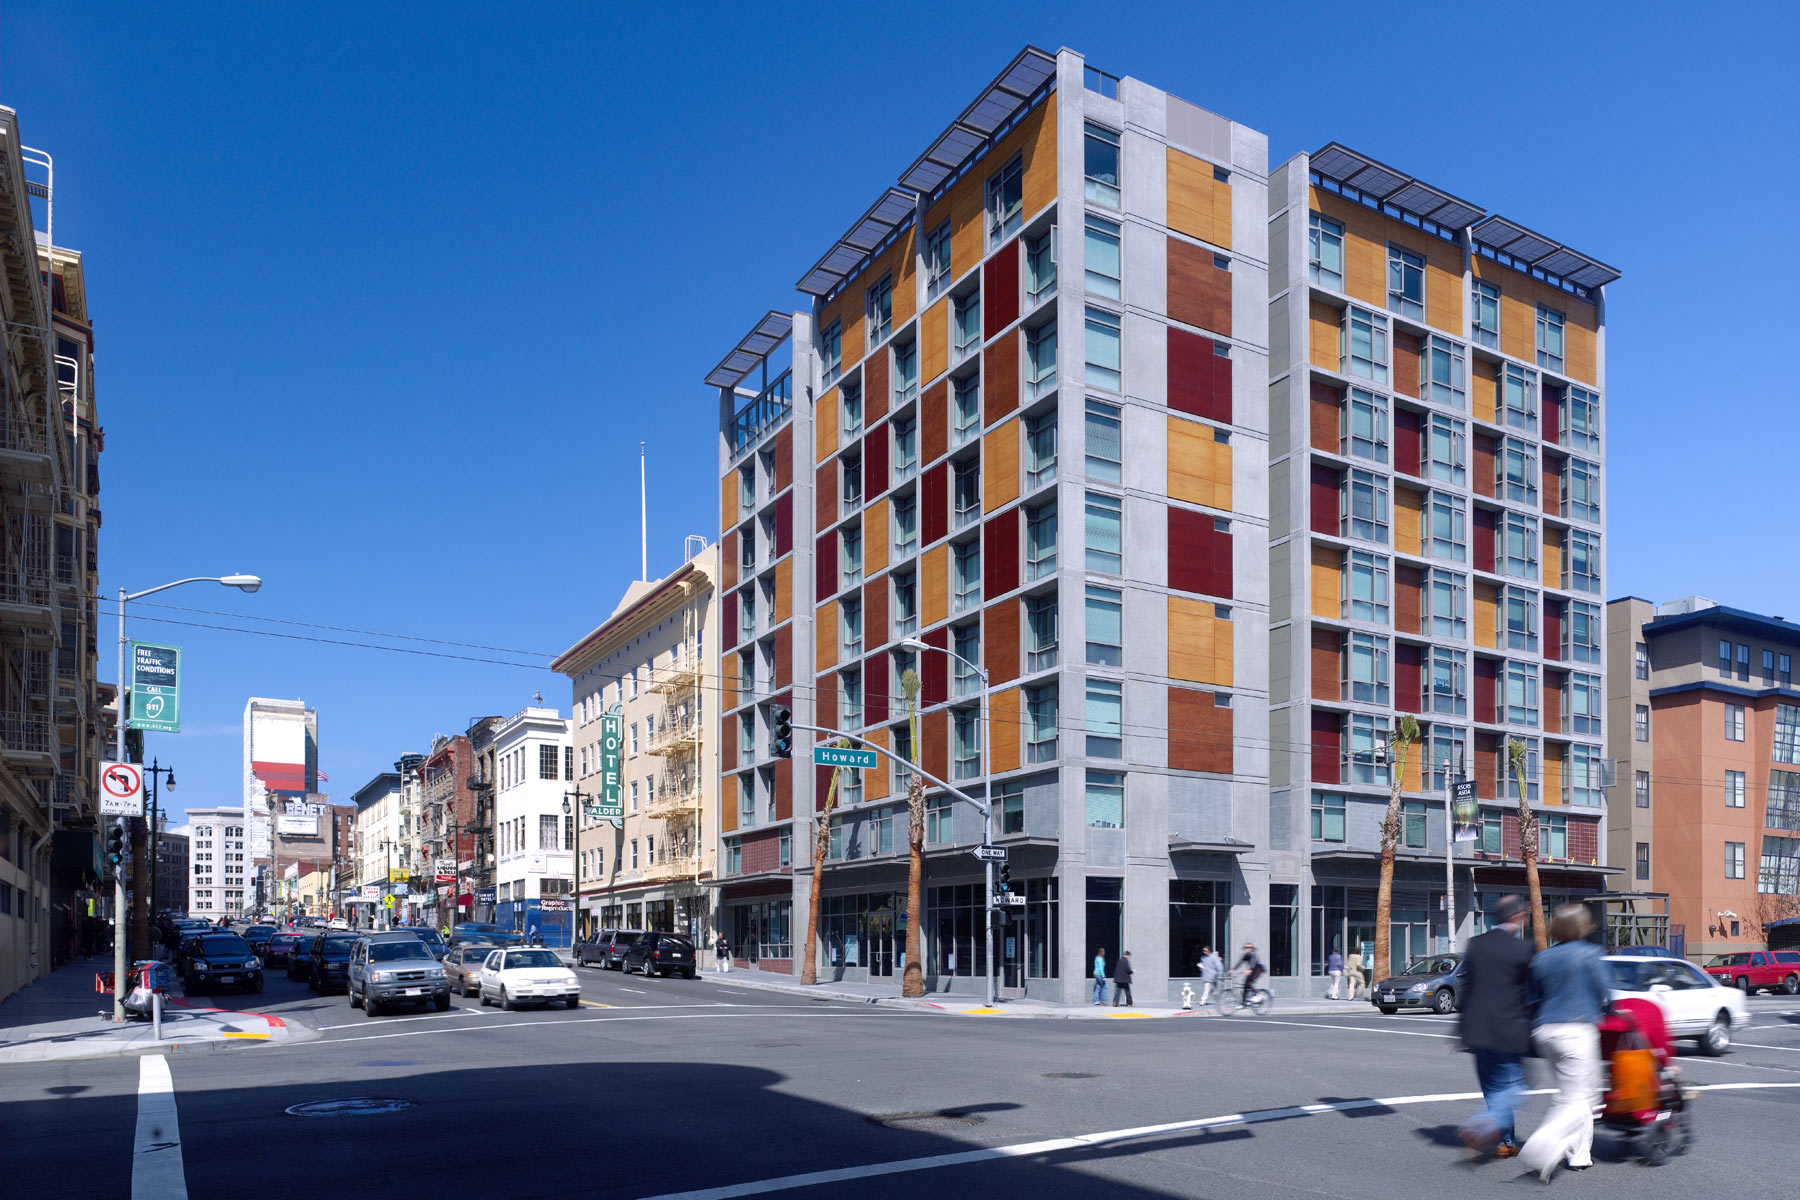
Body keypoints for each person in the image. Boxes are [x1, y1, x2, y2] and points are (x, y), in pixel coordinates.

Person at [1518, 904, 1610, 1182]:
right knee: (1577, 1097)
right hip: (1577, 1032)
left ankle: (1579, 1155)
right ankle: (1542, 1144)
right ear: (1582, 926)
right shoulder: (1591, 954)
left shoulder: (1541, 959)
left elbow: (1531, 999)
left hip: (1546, 1032)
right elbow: (1607, 994)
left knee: (1581, 1094)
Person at [1455, 894, 1535, 1161]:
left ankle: (1506, 1141)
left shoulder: (1476, 945)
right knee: (1513, 1087)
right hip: (1509, 1030)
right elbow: (1531, 993)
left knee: (1492, 1088)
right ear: (1516, 917)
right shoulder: (1523, 950)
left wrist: (1459, 1030)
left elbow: (1466, 988)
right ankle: (1482, 1125)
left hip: (1478, 1031)